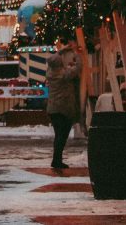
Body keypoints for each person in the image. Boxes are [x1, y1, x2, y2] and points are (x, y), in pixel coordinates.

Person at [46, 41, 82, 170]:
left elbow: (53, 59)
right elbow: (78, 68)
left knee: (58, 135)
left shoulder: (50, 72)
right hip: (63, 109)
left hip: (52, 109)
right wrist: (77, 54)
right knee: (62, 135)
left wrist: (62, 50)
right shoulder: (63, 75)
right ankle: (57, 160)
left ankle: (57, 159)